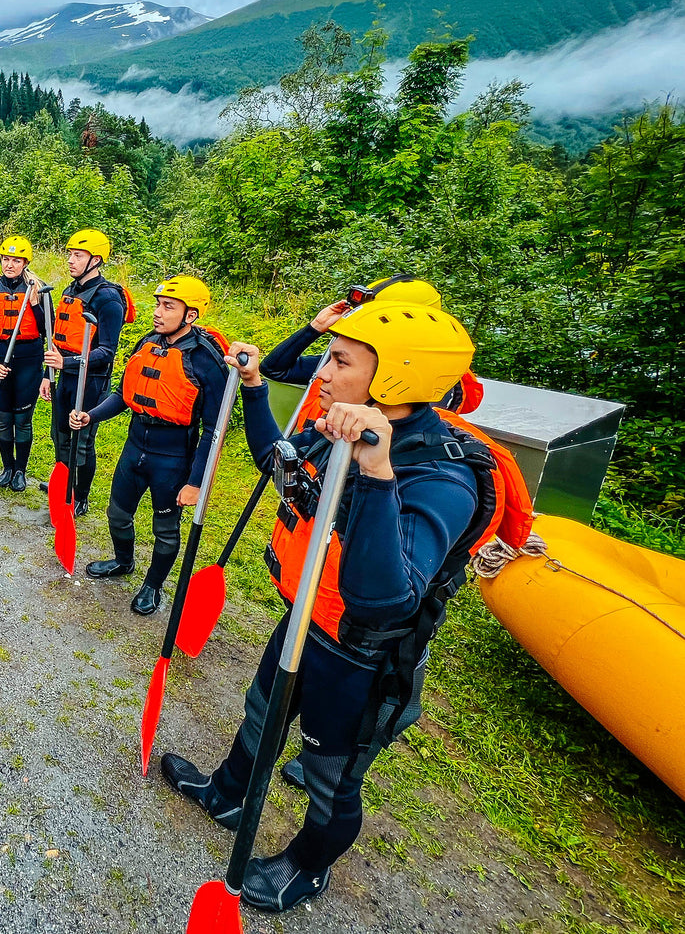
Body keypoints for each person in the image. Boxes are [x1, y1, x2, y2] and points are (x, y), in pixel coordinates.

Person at [162, 299, 494, 912]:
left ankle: (307, 866)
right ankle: (231, 793)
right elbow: (278, 470)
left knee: (329, 775)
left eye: (339, 361)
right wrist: (258, 390)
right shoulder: (335, 423)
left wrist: (374, 472)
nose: (322, 371)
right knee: (262, 714)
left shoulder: (442, 478)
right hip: (307, 615)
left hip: (361, 654)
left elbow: (383, 597)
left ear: (394, 376)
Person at [70, 276, 228, 616]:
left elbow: (215, 428)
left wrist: (196, 482)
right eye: (157, 304)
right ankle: (123, 561)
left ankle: (153, 586)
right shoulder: (147, 342)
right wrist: (90, 415)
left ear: (191, 315)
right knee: (117, 513)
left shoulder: (206, 360)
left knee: (165, 529)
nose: (158, 312)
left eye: (168, 306)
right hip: (134, 445)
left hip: (172, 458)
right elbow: (124, 395)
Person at [263, 275, 483, 420]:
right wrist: (316, 327)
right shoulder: (355, 365)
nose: (325, 372)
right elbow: (275, 369)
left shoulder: (431, 385)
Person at [40, 228, 129, 517]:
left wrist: (67, 363)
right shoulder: (70, 290)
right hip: (63, 377)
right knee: (60, 435)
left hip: (90, 382)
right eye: (70, 254)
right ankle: (63, 483)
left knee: (82, 442)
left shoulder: (108, 298)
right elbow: (58, 340)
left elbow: (107, 352)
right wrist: (47, 373)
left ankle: (81, 496)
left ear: (96, 260)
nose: (70, 260)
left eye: (78, 255)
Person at [0, 236, 47, 491]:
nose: (10, 265)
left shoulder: (38, 288)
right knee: (3, 419)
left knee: (22, 420)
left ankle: (20, 471)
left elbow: (48, 330)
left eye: (16, 260)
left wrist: (36, 304)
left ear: (25, 263)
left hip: (28, 362)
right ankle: (7, 467)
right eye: (6, 259)